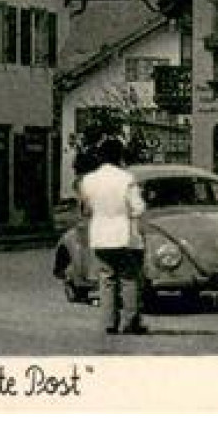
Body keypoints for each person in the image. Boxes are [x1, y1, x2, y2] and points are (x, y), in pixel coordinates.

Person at [78, 136, 147, 335]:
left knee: (106, 279)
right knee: (128, 278)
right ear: (119, 156)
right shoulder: (126, 179)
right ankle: (130, 321)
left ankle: (109, 322)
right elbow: (138, 207)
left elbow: (86, 209)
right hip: (124, 234)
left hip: (99, 235)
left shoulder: (89, 180)